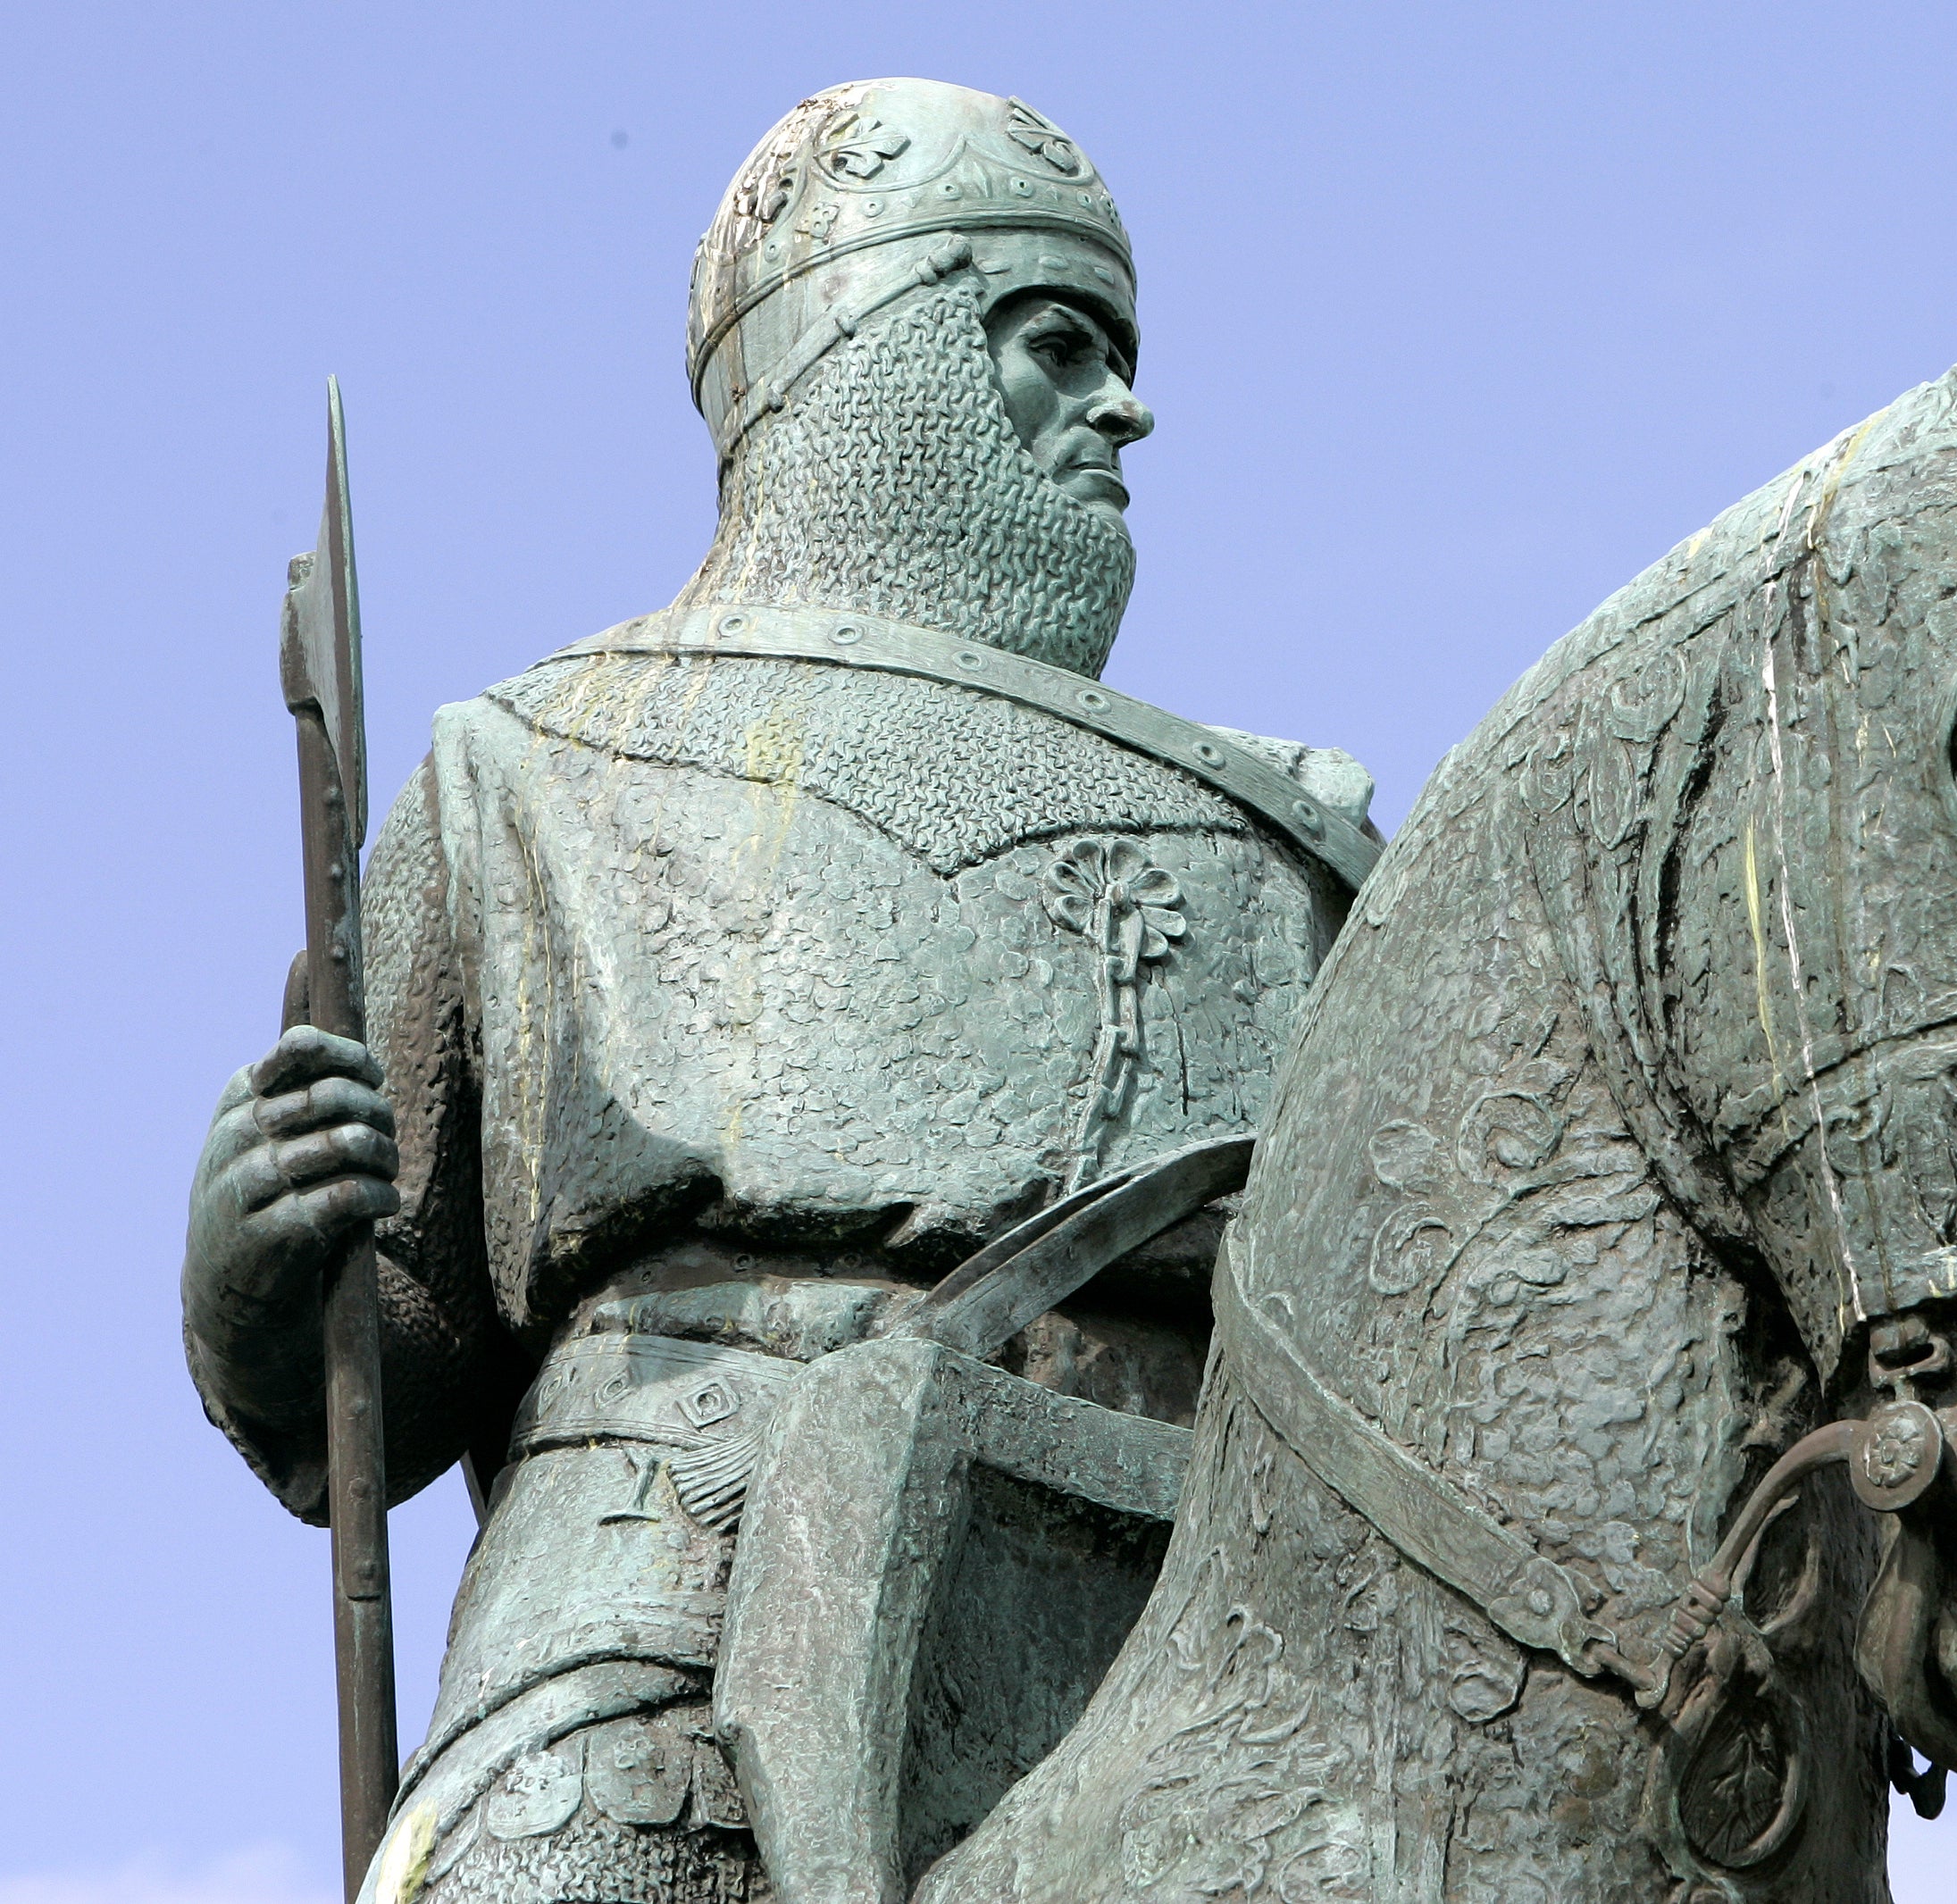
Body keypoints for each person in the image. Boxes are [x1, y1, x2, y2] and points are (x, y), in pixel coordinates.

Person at [180, 79, 1371, 1904]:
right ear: (866, 350)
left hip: (1195, 1634)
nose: (1126, 403)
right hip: (672, 1623)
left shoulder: (1287, 846)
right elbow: (385, 1373)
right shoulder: (527, 771)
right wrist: (262, 1271)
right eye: (1058, 343)